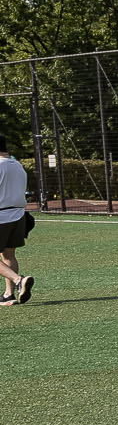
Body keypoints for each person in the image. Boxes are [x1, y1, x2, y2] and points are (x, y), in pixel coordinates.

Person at [0, 131, 31, 305]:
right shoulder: (17, 164)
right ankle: (8, 294)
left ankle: (19, 280)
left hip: (1, 215)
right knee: (8, 255)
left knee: (6, 255)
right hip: (18, 215)